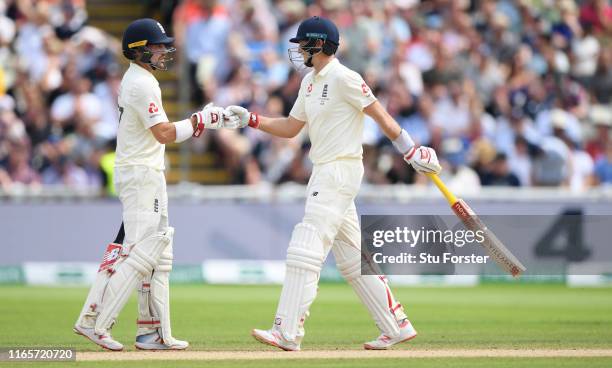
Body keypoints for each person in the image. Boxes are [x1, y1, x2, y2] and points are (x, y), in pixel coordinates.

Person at [225, 16, 442, 351]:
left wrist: (410, 149)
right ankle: (395, 324)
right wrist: (251, 119)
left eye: (302, 44)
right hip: (324, 171)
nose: (297, 50)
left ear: (319, 45)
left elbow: (381, 116)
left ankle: (287, 331)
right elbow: (290, 128)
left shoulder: (345, 78)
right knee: (353, 260)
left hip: (338, 171)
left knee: (306, 244)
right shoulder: (309, 82)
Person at [73, 18, 231, 351]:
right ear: (140, 50)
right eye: (157, 46)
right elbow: (164, 133)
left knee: (155, 254)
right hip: (140, 174)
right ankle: (99, 325)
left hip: (145, 172)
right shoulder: (141, 83)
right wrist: (202, 120)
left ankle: (151, 332)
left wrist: (199, 121)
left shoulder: (141, 79)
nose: (164, 51)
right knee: (141, 253)